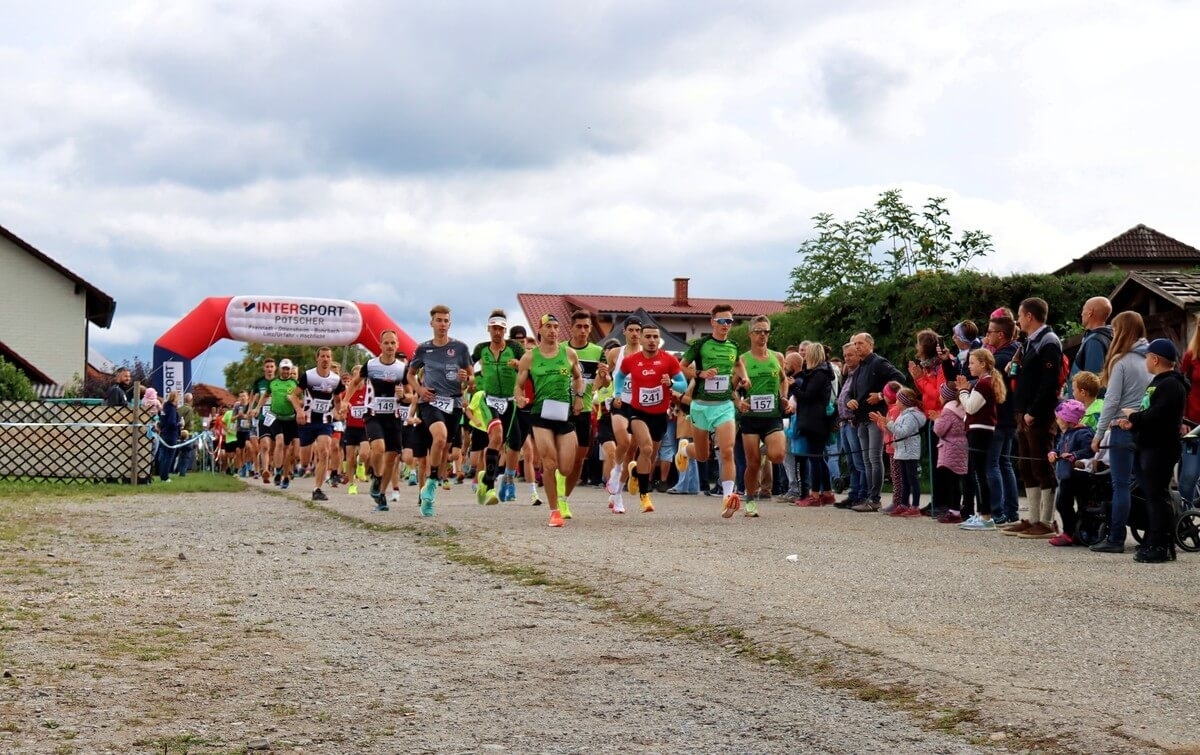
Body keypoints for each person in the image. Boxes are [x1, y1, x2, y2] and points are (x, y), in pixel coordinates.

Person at [676, 305, 749, 518]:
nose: (726, 326)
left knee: (727, 450)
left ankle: (727, 498)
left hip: (724, 405)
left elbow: (738, 364)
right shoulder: (701, 344)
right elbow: (682, 366)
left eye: (729, 322)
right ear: (712, 322)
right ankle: (684, 450)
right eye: (722, 321)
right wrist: (700, 373)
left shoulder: (733, 345)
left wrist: (744, 377)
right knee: (702, 454)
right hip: (701, 405)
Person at [1119, 338, 1187, 563]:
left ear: (1155, 359)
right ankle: (1152, 538)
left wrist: (1133, 416)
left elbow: (1158, 415)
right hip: (1147, 444)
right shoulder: (1158, 382)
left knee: (1157, 497)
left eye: (1147, 357)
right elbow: (1150, 413)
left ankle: (1161, 544)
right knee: (1151, 496)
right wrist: (1133, 423)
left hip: (1160, 448)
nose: (1146, 361)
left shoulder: (1171, 384)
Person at [514, 314, 586, 526]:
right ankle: (554, 511)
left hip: (564, 414)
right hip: (540, 414)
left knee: (565, 468)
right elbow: (519, 385)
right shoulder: (530, 357)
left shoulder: (569, 353)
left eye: (556, 327)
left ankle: (560, 495)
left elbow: (578, 377)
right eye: (548, 327)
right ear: (540, 331)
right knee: (549, 462)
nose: (553, 331)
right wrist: (519, 397)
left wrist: (579, 397)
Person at [1088, 311, 1150, 554]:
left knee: (1121, 484)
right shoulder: (1151, 360)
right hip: (1145, 428)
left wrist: (1098, 433)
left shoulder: (1121, 361)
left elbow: (1112, 400)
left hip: (1121, 429)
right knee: (1145, 483)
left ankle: (1115, 537)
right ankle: (1153, 532)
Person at [613, 324, 687, 515]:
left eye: (655, 337)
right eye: (648, 337)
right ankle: (644, 496)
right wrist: (618, 393)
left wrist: (671, 383)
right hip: (638, 412)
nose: (652, 340)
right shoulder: (631, 361)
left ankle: (637, 474)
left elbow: (683, 384)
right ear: (642, 339)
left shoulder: (668, 360)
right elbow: (620, 377)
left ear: (659, 340)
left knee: (651, 455)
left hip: (660, 415)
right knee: (644, 448)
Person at [408, 304, 474, 517]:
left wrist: (467, 379)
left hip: (453, 403)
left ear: (450, 323)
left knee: (445, 450)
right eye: (439, 320)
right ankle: (430, 484)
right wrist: (420, 389)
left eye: (446, 321)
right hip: (431, 401)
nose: (442, 325)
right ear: (432, 323)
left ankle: (431, 485)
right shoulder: (423, 349)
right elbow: (410, 375)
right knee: (439, 438)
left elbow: (472, 380)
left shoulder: (461, 348)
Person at [1006, 298, 1063, 538]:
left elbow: (1049, 382)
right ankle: (1034, 518)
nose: (1018, 320)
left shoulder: (1048, 342)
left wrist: (1035, 410)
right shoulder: (1028, 342)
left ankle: (1048, 520)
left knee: (1041, 463)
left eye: (1019, 315)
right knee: (1026, 465)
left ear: (1029, 316)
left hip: (1037, 414)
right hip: (1023, 411)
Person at [735, 315, 788, 517]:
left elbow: (784, 380)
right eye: (759, 331)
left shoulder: (778, 357)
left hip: (772, 415)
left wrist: (783, 397)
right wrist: (739, 402)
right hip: (750, 418)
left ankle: (768, 442)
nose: (763, 335)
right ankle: (750, 501)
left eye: (766, 331)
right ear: (750, 334)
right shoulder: (742, 360)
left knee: (777, 456)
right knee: (753, 463)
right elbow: (732, 389)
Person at [471, 310, 526, 503]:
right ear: (488, 329)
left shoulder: (515, 348)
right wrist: (468, 378)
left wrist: (519, 364)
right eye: (494, 328)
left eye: (501, 329)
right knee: (496, 436)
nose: (497, 332)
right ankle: (490, 488)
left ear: (505, 330)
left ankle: (487, 479)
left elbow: (529, 366)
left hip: (510, 401)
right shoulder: (481, 349)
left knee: (513, 443)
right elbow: (469, 366)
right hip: (490, 400)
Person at [847, 332, 906, 509]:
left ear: (870, 345)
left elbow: (900, 378)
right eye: (855, 344)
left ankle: (875, 499)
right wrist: (850, 400)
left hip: (875, 417)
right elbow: (851, 391)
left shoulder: (878, 363)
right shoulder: (860, 367)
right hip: (861, 417)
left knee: (874, 457)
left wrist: (881, 395)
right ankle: (868, 496)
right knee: (866, 459)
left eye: (860, 343)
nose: (857, 346)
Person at [956, 349, 1006, 531]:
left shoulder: (984, 384)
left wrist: (962, 391)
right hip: (977, 430)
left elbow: (970, 407)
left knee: (980, 475)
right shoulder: (982, 383)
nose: (969, 366)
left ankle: (986, 516)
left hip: (980, 431)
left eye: (972, 362)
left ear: (983, 364)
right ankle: (981, 514)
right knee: (978, 473)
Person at [562, 310, 605, 510]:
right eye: (579, 326)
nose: (583, 330)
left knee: (579, 459)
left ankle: (565, 499)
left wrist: (604, 377)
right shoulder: (560, 349)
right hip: (561, 408)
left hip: (585, 408)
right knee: (559, 456)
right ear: (571, 328)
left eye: (586, 326)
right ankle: (557, 495)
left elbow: (603, 382)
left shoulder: (598, 351)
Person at [294, 346, 346, 502]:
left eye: (328, 356)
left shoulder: (336, 380)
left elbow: (337, 399)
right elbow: (293, 396)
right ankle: (304, 467)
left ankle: (317, 489)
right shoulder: (308, 376)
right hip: (307, 421)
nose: (325, 359)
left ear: (331, 359)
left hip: (325, 421)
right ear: (317, 358)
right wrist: (299, 411)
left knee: (324, 451)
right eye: (322, 356)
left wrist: (339, 411)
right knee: (303, 459)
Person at [984, 314, 1022, 526]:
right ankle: (1012, 510)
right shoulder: (1014, 353)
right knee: (1005, 463)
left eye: (989, 332)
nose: (987, 335)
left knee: (993, 464)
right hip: (1010, 418)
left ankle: (997, 510)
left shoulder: (998, 360)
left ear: (1000, 334)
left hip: (997, 417)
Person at [790, 342, 836, 507]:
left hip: (815, 421)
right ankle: (828, 492)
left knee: (814, 458)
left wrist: (793, 387)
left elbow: (807, 396)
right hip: (817, 420)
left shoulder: (818, 374)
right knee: (819, 457)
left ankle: (815, 494)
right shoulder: (820, 373)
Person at [869, 387, 925, 516]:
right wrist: (884, 422)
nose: (896, 402)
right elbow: (896, 431)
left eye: (899, 400)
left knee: (912, 480)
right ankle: (904, 504)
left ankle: (915, 506)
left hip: (909, 452)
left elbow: (902, 432)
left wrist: (889, 423)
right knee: (904, 480)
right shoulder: (902, 415)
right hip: (901, 451)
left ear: (904, 402)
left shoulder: (910, 416)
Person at [1047, 399, 1096, 547]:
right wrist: (1053, 452)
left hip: (1079, 475)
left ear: (1068, 419)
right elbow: (1059, 447)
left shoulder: (1083, 433)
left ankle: (1074, 532)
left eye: (1058, 418)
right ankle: (1072, 530)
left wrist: (1074, 455)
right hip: (1066, 475)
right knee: (1063, 503)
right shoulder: (1066, 434)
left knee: (1078, 505)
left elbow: (1089, 450)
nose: (1056, 420)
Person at [833, 343, 868, 509]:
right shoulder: (849, 375)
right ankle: (853, 493)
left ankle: (862, 495)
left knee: (859, 461)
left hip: (853, 421)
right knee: (851, 462)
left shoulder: (861, 373)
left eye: (850, 355)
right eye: (845, 355)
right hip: (844, 422)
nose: (847, 358)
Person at [932, 383, 967, 523]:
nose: (939, 397)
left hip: (949, 448)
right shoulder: (962, 407)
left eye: (941, 394)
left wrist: (936, 420)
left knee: (950, 481)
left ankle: (953, 510)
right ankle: (956, 509)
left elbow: (940, 430)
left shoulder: (948, 410)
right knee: (957, 480)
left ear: (945, 396)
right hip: (961, 446)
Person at [1067, 297, 1113, 398]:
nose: (1081, 314)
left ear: (1090, 313)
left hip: (1084, 407)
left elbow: (1092, 381)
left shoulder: (1095, 341)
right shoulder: (1107, 336)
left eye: (1083, 309)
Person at [1176, 328, 1200, 506]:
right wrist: (1182, 420)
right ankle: (1184, 516)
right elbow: (1181, 389)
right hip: (1193, 424)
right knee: (1189, 475)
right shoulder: (1191, 357)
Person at [156, 391, 181, 482]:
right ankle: (165, 477)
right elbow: (172, 423)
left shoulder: (164, 408)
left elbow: (162, 421)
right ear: (175, 398)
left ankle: (162, 475)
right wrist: (180, 424)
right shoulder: (172, 409)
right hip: (171, 435)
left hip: (163, 434)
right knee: (169, 457)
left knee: (163, 456)